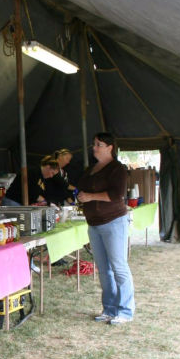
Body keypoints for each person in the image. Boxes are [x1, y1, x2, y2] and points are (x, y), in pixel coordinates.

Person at [76, 132, 135, 325]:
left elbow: (116, 195)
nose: (95, 147)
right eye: (94, 144)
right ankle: (109, 309)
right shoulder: (91, 169)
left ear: (110, 147)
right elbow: (81, 188)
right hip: (94, 224)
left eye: (99, 144)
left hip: (113, 222)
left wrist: (90, 197)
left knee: (119, 267)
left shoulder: (117, 169)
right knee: (103, 269)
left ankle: (125, 311)